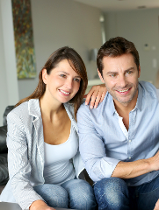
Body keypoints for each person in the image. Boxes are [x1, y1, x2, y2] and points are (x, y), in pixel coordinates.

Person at [0, 46, 106, 210]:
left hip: (70, 181)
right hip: (32, 188)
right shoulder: (19, 118)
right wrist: (38, 205)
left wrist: (105, 87)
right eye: (62, 75)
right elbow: (19, 179)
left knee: (84, 194)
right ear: (45, 75)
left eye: (76, 79)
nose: (69, 85)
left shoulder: (77, 110)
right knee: (56, 194)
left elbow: (118, 93)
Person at [77, 37, 159, 210]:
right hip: (113, 186)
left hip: (153, 183)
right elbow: (95, 167)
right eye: (113, 75)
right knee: (111, 188)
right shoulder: (89, 112)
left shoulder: (157, 100)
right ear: (101, 76)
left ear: (139, 70)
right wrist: (151, 163)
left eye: (129, 72)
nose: (122, 83)